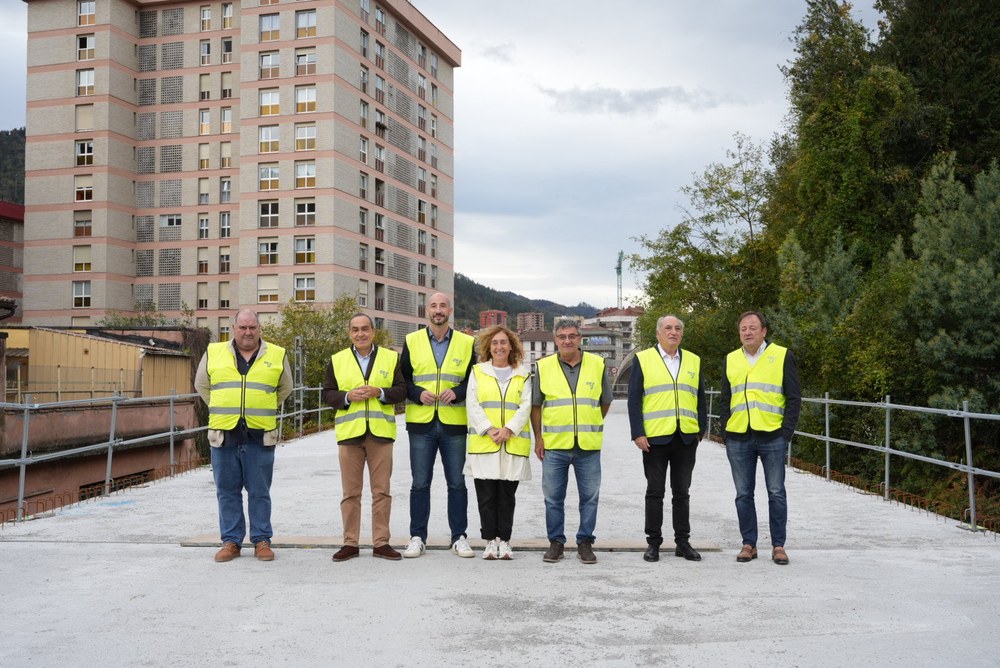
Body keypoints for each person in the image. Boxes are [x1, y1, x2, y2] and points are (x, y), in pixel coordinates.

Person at [195, 308, 293, 563]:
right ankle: (231, 541)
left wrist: (262, 406)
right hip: (224, 434)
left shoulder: (277, 354)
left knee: (260, 491)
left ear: (259, 328)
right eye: (243, 327)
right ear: (233, 328)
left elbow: (285, 388)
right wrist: (222, 405)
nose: (248, 332)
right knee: (226, 491)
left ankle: (261, 540)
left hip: (260, 435)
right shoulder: (213, 352)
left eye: (252, 327)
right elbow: (202, 386)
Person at [719, 311, 802, 565]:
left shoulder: (781, 356)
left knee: (776, 492)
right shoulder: (731, 359)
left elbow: (794, 397)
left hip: (772, 436)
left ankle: (778, 545)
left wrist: (786, 432)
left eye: (753, 327)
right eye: (743, 328)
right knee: (743, 494)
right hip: (739, 437)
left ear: (764, 331)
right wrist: (725, 430)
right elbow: (725, 398)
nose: (747, 332)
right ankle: (749, 544)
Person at [322, 313, 406, 562]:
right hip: (350, 435)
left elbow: (402, 390)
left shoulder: (391, 358)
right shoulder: (337, 360)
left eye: (365, 329)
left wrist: (379, 392)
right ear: (350, 333)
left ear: (373, 331)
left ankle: (381, 543)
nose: (361, 334)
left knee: (382, 492)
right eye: (356, 330)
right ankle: (350, 543)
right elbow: (327, 394)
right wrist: (347, 397)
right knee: (350, 492)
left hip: (380, 434)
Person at [531, 319, 613, 564]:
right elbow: (536, 405)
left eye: (572, 336)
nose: (567, 340)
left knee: (590, 497)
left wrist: (592, 421)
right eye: (562, 336)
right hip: (555, 444)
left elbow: (605, 401)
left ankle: (585, 542)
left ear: (580, 338)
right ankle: (556, 542)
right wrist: (538, 438)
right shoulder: (543, 366)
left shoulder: (598, 364)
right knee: (553, 498)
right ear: (555, 340)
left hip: (588, 446)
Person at [400, 292, 475, 558]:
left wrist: (459, 392)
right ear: (426, 311)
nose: (438, 310)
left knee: (457, 483)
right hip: (421, 424)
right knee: (420, 483)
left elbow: (473, 380)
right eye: (433, 305)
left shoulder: (467, 343)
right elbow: (403, 381)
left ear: (450, 310)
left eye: (443, 305)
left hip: (454, 423)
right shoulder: (412, 340)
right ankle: (417, 536)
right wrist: (417, 393)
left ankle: (459, 537)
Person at [627, 315, 707, 563]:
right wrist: (638, 432)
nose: (673, 332)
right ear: (658, 333)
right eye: (668, 328)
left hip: (685, 438)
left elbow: (700, 397)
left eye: (677, 328)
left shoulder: (693, 360)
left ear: (682, 334)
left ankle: (683, 542)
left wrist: (700, 429)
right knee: (655, 492)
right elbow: (634, 399)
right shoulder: (644, 359)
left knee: (682, 492)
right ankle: (653, 543)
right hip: (654, 438)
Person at [464, 326, 532, 560]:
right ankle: (490, 542)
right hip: (485, 444)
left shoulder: (522, 373)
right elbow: (472, 403)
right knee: (486, 497)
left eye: (503, 342)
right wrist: (488, 428)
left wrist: (509, 429)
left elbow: (525, 406)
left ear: (511, 346)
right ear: (488, 347)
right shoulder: (478, 371)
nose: (499, 347)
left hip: (511, 444)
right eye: (494, 343)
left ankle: (505, 541)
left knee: (506, 497)